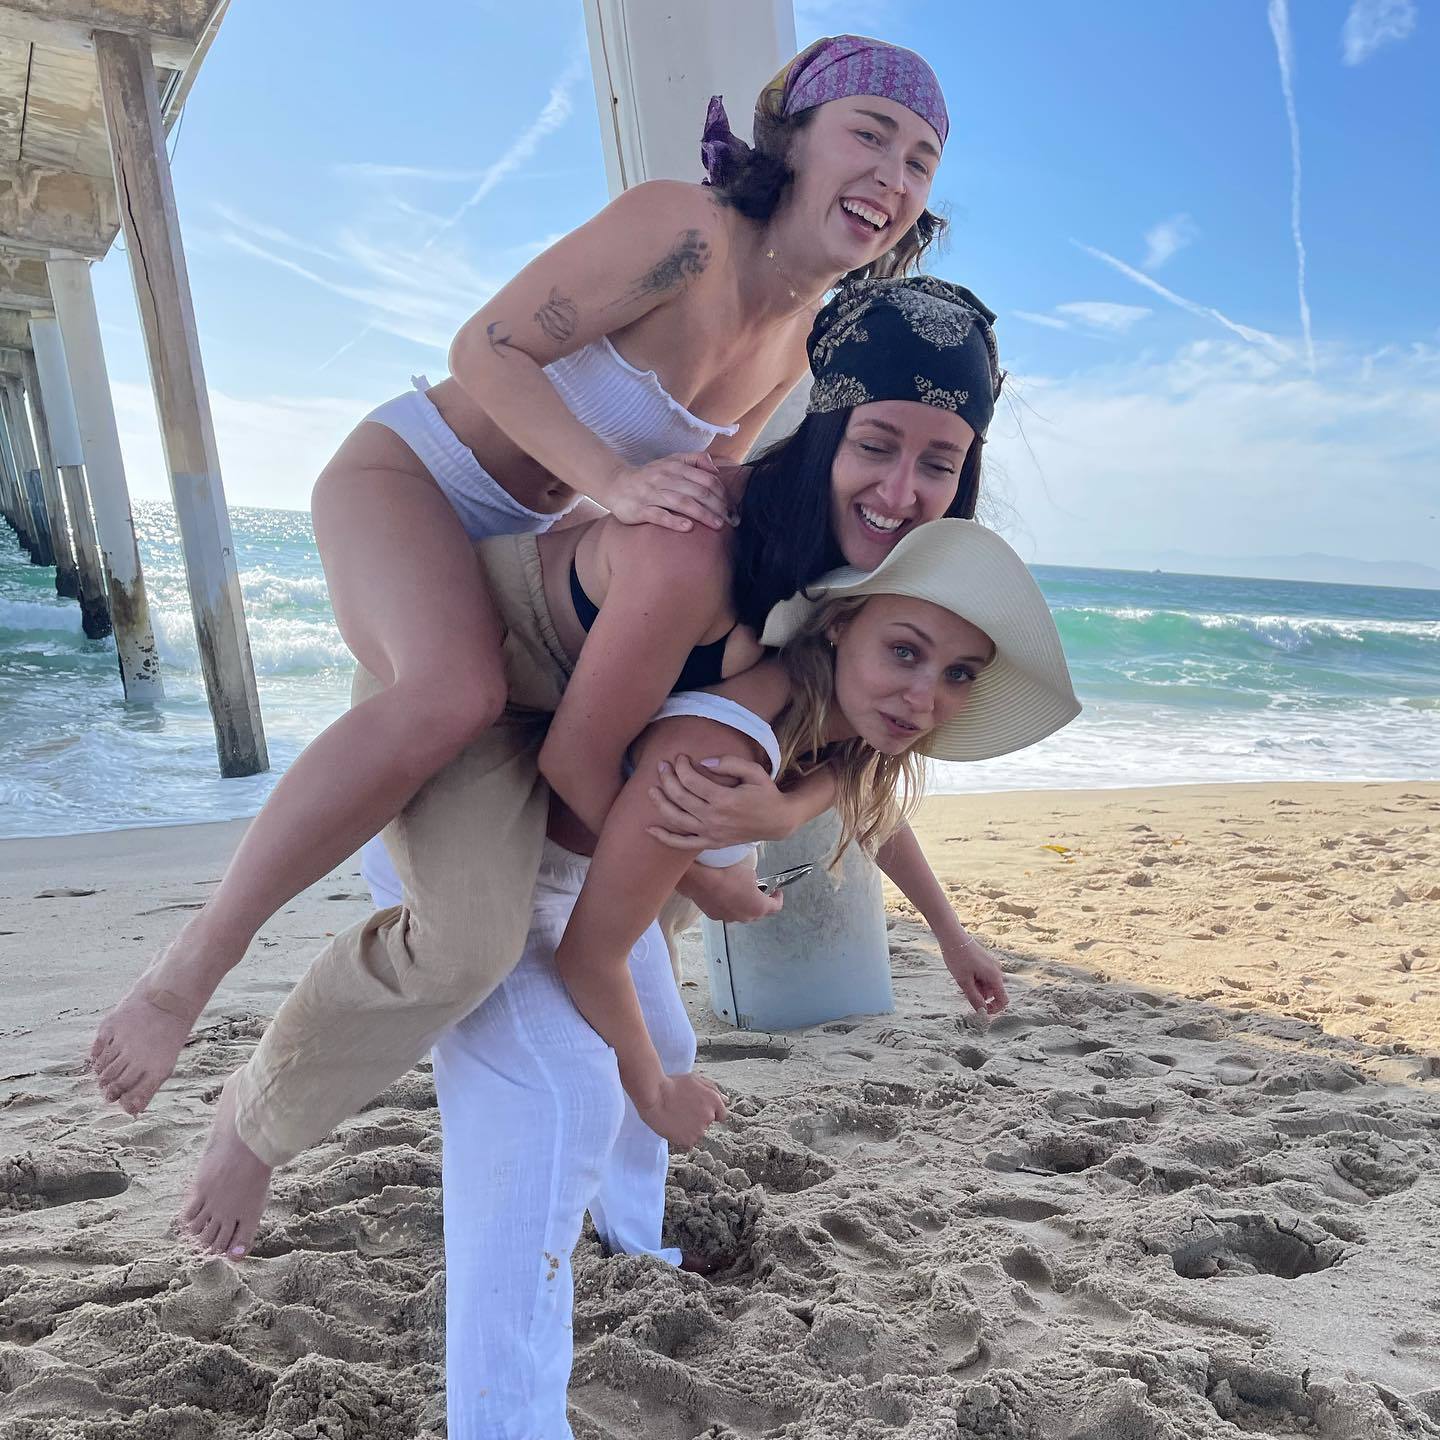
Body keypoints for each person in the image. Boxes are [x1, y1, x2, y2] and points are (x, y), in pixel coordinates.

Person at [89, 32, 954, 1113]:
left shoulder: (797, 345)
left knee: (652, 717)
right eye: (869, 134)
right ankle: (189, 969)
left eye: (920, 160)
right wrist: (614, 483)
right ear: (796, 137)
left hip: (531, 546)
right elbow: (484, 349)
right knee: (457, 691)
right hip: (415, 477)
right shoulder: (684, 230)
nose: (892, 174)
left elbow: (703, 499)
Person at [173, 273, 1007, 1260]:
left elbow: (857, 761)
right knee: (470, 954)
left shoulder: (864, 579)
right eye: (875, 445)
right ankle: (254, 1119)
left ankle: (629, 1234)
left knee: (662, 1007)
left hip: (606, 744)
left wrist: (939, 926)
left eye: (939, 462)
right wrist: (703, 872)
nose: (902, 491)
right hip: (493, 702)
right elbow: (578, 756)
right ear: (826, 429)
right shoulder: (713, 543)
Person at [438, 517, 1082, 1435]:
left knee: (668, 1037)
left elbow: (867, 797)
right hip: (512, 867)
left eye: (959, 674)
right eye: (905, 652)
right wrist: (654, 1091)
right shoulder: (721, 753)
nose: (924, 697)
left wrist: (951, 936)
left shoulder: (829, 713)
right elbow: (589, 954)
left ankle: (633, 1245)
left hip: (596, 874)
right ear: (837, 628)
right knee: (573, 1099)